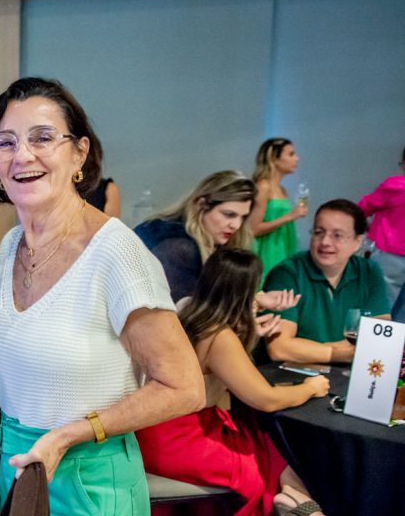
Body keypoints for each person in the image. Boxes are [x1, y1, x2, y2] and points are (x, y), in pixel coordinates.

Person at [0, 77, 204, 516]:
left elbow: (184, 386)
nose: (22, 155)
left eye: (42, 137)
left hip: (87, 485)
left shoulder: (116, 253)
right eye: (4, 141)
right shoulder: (9, 247)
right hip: (19, 479)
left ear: (80, 155)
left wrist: (72, 433)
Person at [137, 248, 345, 516]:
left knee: (259, 440)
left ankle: (298, 498)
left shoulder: (189, 309)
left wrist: (250, 329)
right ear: (245, 293)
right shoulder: (220, 336)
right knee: (249, 467)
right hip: (175, 437)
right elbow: (265, 398)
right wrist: (310, 387)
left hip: (161, 425)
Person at [265, 199, 391, 364]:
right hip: (293, 375)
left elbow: (380, 338)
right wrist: (339, 353)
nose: (325, 242)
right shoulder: (287, 274)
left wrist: (308, 349)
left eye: (337, 235)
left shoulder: (369, 272)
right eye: (318, 232)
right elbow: (279, 348)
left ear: (358, 242)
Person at [134, 170, 256, 301]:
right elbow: (184, 315)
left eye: (243, 217)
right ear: (201, 205)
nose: (236, 225)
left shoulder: (204, 239)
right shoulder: (179, 246)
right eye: (229, 214)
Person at [251, 137, 309, 278]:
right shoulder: (263, 187)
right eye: (291, 154)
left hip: (283, 246)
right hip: (267, 251)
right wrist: (290, 216)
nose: (297, 158)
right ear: (274, 158)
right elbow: (253, 229)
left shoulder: (283, 190)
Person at [359, 146, 405, 322]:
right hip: (391, 255)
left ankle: (371, 348)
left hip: (389, 253)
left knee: (379, 307)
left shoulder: (395, 185)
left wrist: (367, 228)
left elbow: (361, 208)